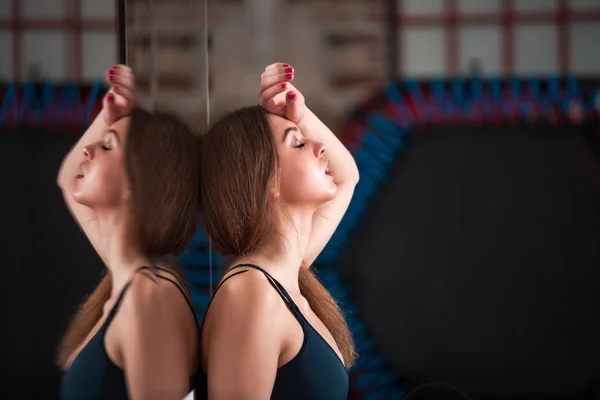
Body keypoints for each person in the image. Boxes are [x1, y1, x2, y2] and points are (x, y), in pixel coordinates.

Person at [197, 62, 360, 399]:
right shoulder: (252, 294)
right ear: (266, 180)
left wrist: (297, 113)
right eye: (298, 144)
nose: (320, 147)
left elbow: (348, 176)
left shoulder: (283, 274)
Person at [57, 65, 201, 400]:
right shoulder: (136, 280)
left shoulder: (146, 296)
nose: (88, 151)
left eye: (106, 146)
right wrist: (111, 118)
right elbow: (68, 178)